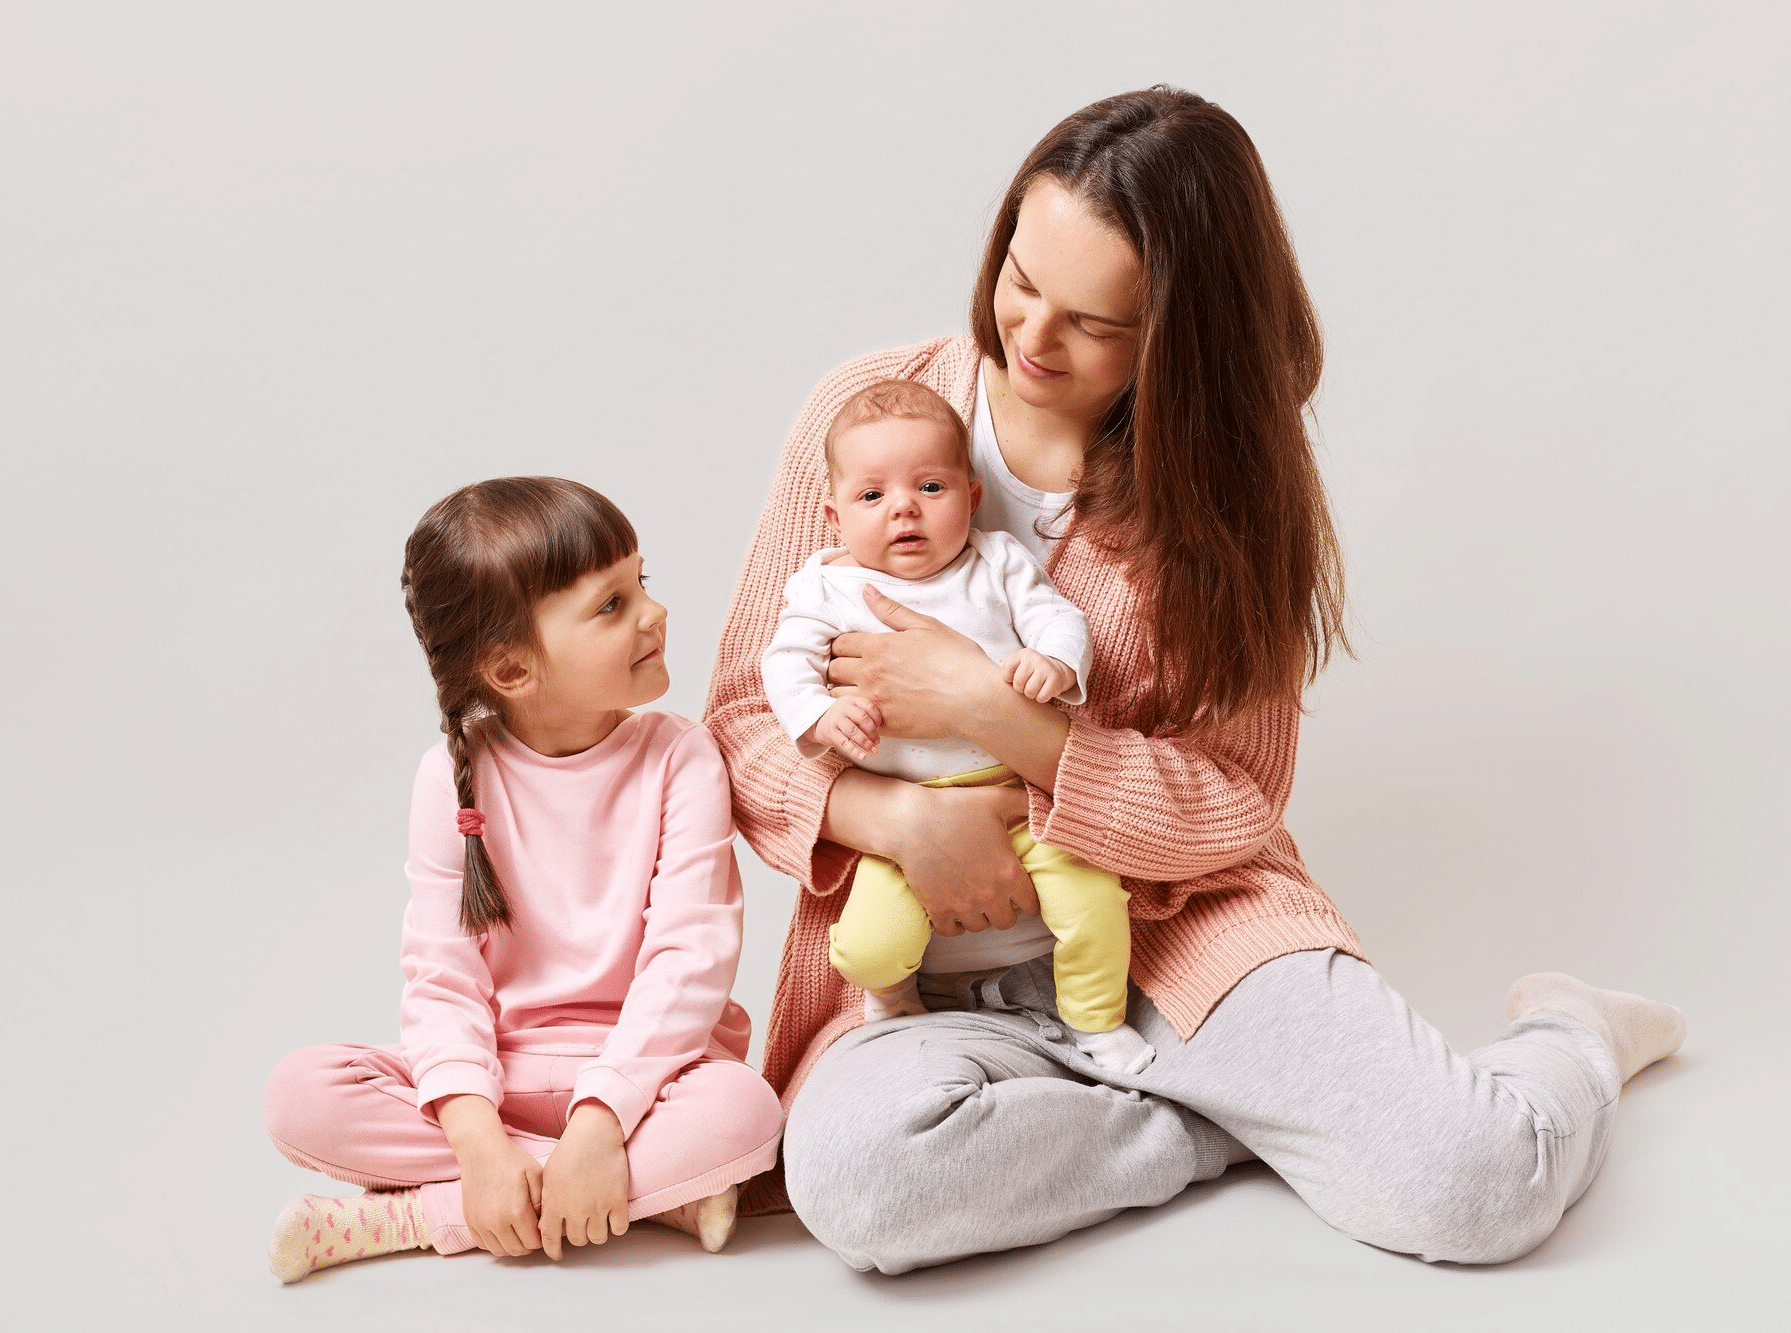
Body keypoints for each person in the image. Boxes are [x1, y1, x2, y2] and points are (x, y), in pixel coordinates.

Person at [704, 86, 1686, 1273]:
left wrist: (998, 721)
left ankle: (1569, 1031)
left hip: (1176, 929)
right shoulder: (871, 416)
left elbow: (1235, 797)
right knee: (858, 1184)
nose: (1030, 337)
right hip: (924, 965)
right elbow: (746, 715)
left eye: (1092, 322)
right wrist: (897, 820)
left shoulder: (1223, 499)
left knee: (1472, 1186)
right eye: (1018, 275)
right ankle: (1225, 1128)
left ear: (1179, 333)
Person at [263, 477, 782, 1283]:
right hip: (495, 1082)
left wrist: (602, 1120)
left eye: (641, 580)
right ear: (510, 669)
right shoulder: (451, 777)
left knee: (745, 1113)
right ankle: (624, 1194)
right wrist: (477, 1141)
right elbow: (443, 979)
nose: (653, 611)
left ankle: (413, 1213)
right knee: (302, 1093)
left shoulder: (682, 757)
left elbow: (691, 959)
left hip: (648, 1078)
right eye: (610, 605)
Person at [760, 379, 1150, 1073]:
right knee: (866, 946)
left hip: (1024, 799)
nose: (904, 508)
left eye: (931, 487)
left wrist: (1055, 662)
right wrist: (821, 714)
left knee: (1094, 903)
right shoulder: (827, 587)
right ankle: (893, 998)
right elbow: (783, 663)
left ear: (971, 497)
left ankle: (1097, 1022)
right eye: (872, 495)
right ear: (834, 516)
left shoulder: (996, 561)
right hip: (906, 825)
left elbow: (1059, 617)